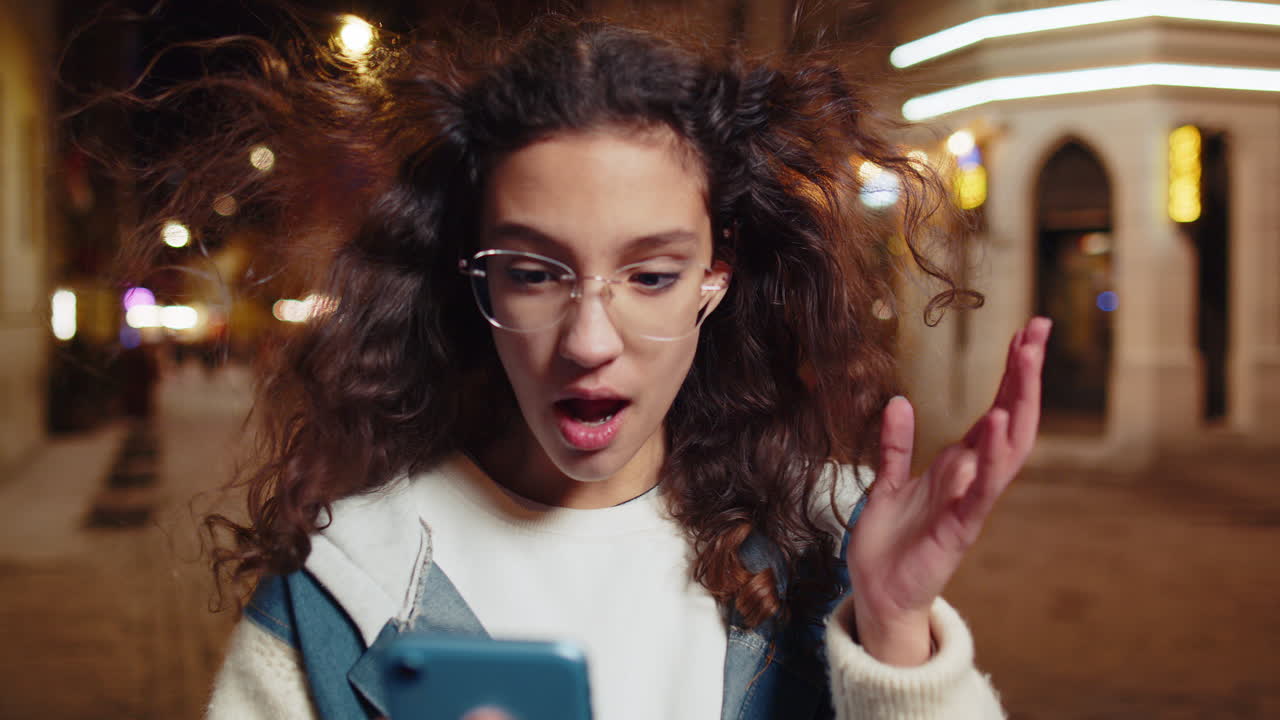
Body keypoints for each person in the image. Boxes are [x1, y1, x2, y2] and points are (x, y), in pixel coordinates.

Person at [155, 12, 1053, 720]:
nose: (589, 340)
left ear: (716, 276)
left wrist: (894, 634)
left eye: (651, 275)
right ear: (472, 277)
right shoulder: (341, 586)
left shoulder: (828, 545)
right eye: (535, 273)